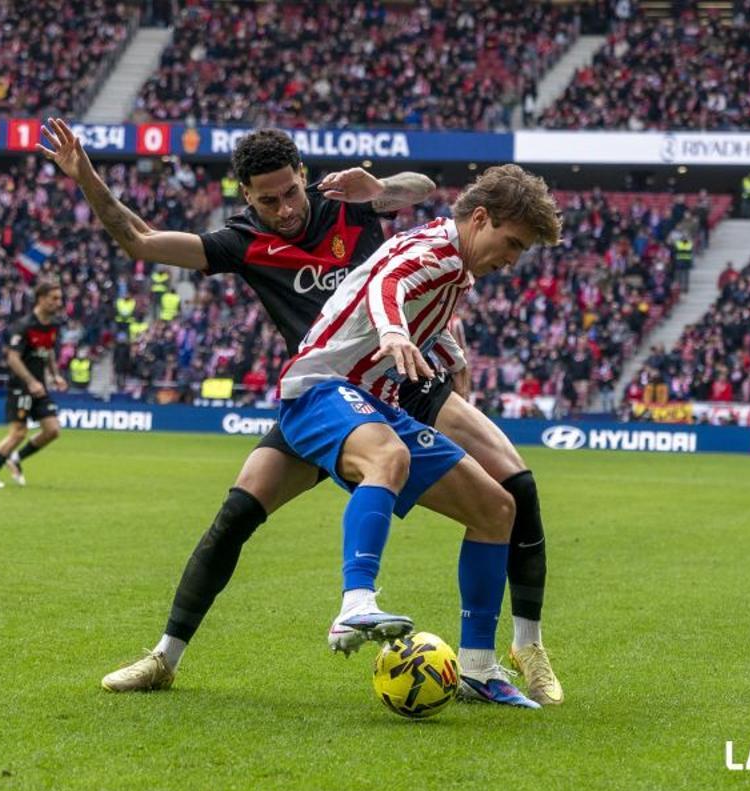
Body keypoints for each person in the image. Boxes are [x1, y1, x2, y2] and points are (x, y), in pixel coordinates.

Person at [38, 119, 563, 705]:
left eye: (291, 192)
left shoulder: (352, 206)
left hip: (392, 385)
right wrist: (85, 175)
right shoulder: (241, 242)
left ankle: (499, 657)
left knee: (506, 497)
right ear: (247, 197)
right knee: (236, 515)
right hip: (323, 384)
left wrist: (381, 186)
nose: (285, 208)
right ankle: (166, 656)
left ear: (305, 179)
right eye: (268, 200)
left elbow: (426, 193)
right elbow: (139, 240)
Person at [276, 164, 563, 705]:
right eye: (512, 243)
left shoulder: (457, 270)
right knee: (388, 456)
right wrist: (391, 332)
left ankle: (477, 667)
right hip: (321, 387)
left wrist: (450, 354)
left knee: (497, 508)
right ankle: (355, 603)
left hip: (375, 403)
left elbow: (422, 307)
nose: (512, 259)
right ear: (480, 219)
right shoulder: (437, 251)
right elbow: (389, 282)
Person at [0, 279, 67, 488]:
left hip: (39, 386)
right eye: (54, 298)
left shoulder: (53, 325)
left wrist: (55, 375)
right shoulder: (24, 325)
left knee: (53, 430)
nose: (58, 303)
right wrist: (30, 381)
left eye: (60, 298)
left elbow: (49, 352)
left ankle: (16, 458)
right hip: (21, 386)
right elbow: (12, 358)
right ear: (41, 299)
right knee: (18, 432)